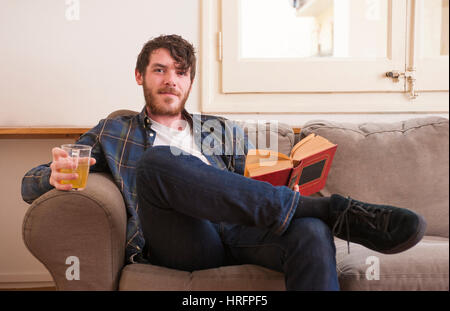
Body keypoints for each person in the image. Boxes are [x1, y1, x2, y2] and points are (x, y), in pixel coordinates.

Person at [21, 34, 426, 291]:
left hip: (241, 230)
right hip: (181, 238)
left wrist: (287, 181)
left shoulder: (222, 129)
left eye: (181, 72)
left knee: (310, 230)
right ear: (140, 76)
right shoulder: (115, 129)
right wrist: (49, 177)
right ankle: (337, 210)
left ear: (190, 82)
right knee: (159, 163)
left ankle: (322, 213)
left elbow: (252, 188)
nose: (170, 80)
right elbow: (30, 182)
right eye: (159, 70)